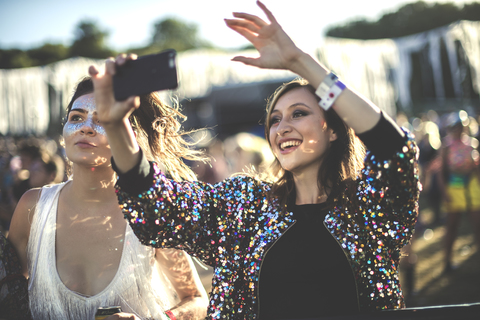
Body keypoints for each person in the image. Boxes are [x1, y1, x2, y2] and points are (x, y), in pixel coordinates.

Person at [89, 1, 419, 319]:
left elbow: (394, 147)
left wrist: (301, 62)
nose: (282, 127)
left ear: (333, 130)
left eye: (298, 114)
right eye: (274, 120)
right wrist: (116, 126)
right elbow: (160, 207)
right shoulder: (247, 205)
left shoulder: (367, 205)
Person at [6, 78, 208, 320]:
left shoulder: (150, 211)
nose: (86, 127)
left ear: (128, 137)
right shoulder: (33, 207)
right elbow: (8, 296)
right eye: (76, 118)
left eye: (103, 120)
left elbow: (196, 299)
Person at [438, 113, 480, 273]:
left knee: (477, 224)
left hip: (472, 187)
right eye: (454, 127)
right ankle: (447, 261)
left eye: (460, 127)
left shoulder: (472, 144)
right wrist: (444, 192)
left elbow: (477, 169)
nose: (458, 130)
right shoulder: (446, 146)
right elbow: (441, 172)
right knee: (452, 226)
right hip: (454, 189)